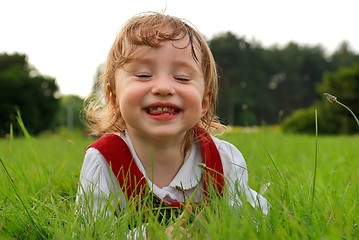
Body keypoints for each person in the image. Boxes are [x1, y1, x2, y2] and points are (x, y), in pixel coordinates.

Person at [76, 11, 268, 233]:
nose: (164, 88)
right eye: (144, 75)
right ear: (113, 97)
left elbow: (252, 225)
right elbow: (88, 234)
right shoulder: (104, 161)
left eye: (182, 78)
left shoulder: (223, 160)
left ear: (205, 100)